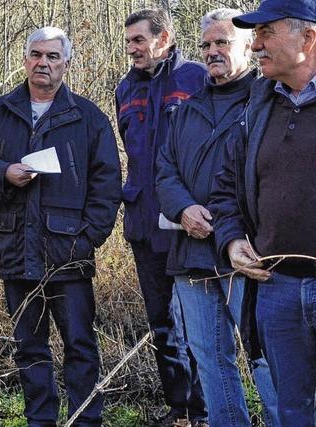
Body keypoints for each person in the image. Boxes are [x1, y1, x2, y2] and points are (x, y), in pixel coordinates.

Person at [0, 26, 121, 426]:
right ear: (25, 58)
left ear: (66, 63)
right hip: (16, 249)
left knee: (80, 346)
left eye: (52, 56)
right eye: (36, 55)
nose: (42, 63)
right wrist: (3, 172)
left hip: (70, 255)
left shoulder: (88, 117)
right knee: (29, 348)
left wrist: (89, 239)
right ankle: (40, 421)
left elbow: (108, 183)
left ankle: (85, 420)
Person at [155, 9, 279, 426]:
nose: (212, 52)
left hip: (251, 254)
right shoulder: (185, 111)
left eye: (222, 43)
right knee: (211, 363)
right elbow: (164, 170)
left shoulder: (268, 102)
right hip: (192, 256)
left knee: (267, 361)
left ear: (248, 45)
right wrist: (183, 208)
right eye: (206, 45)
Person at [209, 1, 316, 424]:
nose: (254, 46)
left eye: (266, 33)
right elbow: (226, 188)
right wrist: (232, 240)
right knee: (292, 412)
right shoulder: (258, 106)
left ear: (308, 38)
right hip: (277, 290)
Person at [115, 8, 208, 426]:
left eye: (139, 39)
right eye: (129, 40)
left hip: (188, 225)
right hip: (143, 223)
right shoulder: (124, 88)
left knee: (199, 324)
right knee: (162, 324)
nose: (131, 48)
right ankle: (179, 409)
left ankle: (206, 410)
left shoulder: (195, 79)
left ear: (164, 37)